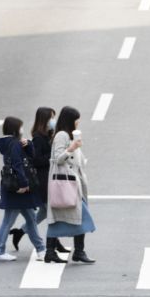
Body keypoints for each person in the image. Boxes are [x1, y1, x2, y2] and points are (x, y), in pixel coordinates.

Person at [10, 107, 68, 255]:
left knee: (45, 212)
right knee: (52, 212)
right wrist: (53, 158)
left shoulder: (48, 135)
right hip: (43, 181)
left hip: (48, 178)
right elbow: (36, 160)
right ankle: (54, 244)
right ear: (44, 120)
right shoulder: (38, 137)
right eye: (51, 118)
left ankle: (21, 232)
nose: (53, 121)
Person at [46, 106, 95, 264]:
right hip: (66, 183)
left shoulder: (67, 135)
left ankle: (54, 252)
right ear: (70, 120)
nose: (78, 122)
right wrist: (72, 148)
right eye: (76, 119)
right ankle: (75, 251)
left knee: (63, 219)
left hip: (72, 182)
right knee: (77, 218)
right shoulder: (61, 135)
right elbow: (58, 158)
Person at [0, 116, 47, 262]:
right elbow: (18, 165)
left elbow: (29, 156)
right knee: (10, 221)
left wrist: (28, 144)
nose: (23, 129)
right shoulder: (14, 144)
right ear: (15, 129)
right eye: (21, 127)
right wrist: (24, 184)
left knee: (30, 219)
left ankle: (41, 249)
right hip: (19, 190)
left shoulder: (8, 143)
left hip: (14, 189)